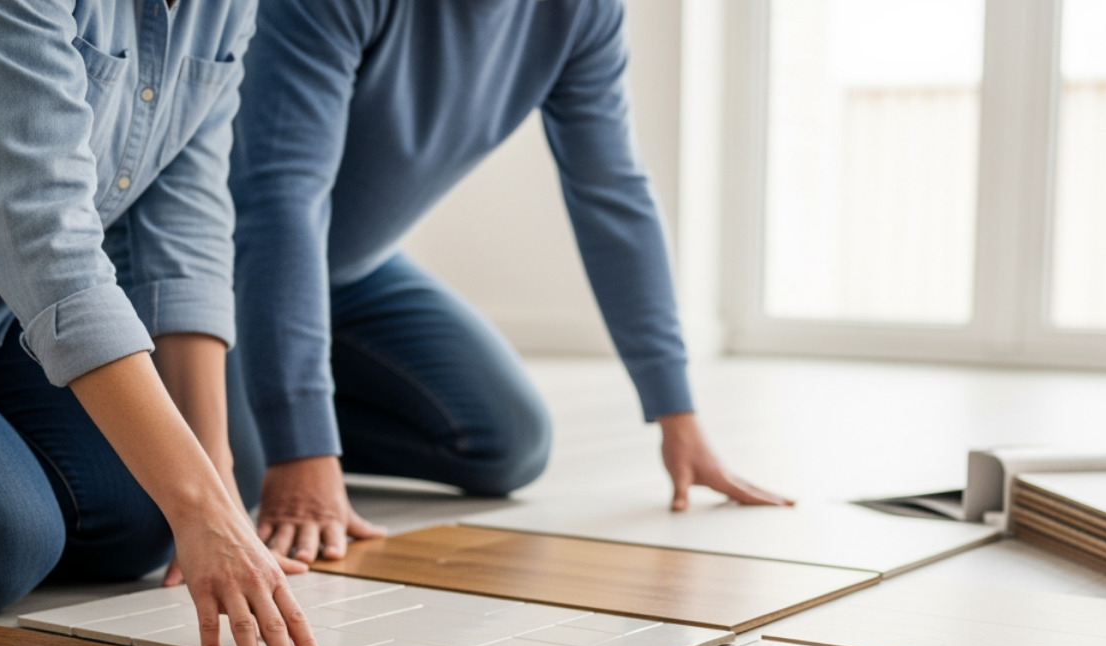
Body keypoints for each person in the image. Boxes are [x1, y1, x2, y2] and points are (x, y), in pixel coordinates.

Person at [228, 0, 790, 567]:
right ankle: (263, 421)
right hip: (227, 276)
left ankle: (273, 415)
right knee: (239, 473)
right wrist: (299, 446)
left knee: (506, 443)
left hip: (354, 271)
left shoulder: (582, 12)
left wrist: (677, 413)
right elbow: (281, 202)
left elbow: (614, 192)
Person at [0, 0, 316, 646]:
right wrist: (198, 504)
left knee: (144, 520)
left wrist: (214, 487)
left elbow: (186, 216)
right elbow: (42, 227)